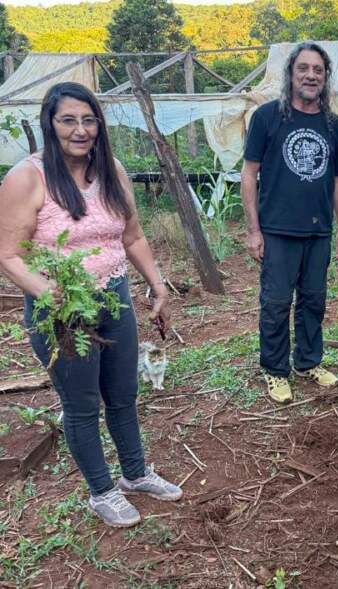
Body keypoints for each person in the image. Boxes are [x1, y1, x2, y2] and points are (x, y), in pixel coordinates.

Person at [0, 82, 182, 529]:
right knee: (81, 403)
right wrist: (45, 290)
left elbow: (132, 235)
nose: (80, 130)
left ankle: (135, 474)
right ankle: (101, 492)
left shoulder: (112, 170)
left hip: (114, 297)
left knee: (123, 394)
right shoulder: (29, 177)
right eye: (68, 120)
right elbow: (8, 253)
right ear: (51, 123)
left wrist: (158, 286)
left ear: (98, 124)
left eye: (88, 119)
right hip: (62, 313)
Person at [241, 41, 338, 404]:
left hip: (318, 230)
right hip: (276, 230)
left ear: (325, 77)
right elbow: (249, 173)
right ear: (290, 74)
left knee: (314, 300)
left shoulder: (333, 125)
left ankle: (308, 362)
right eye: (303, 68)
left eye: (318, 70)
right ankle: (275, 371)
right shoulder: (268, 117)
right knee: (275, 303)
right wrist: (253, 230)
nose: (311, 75)